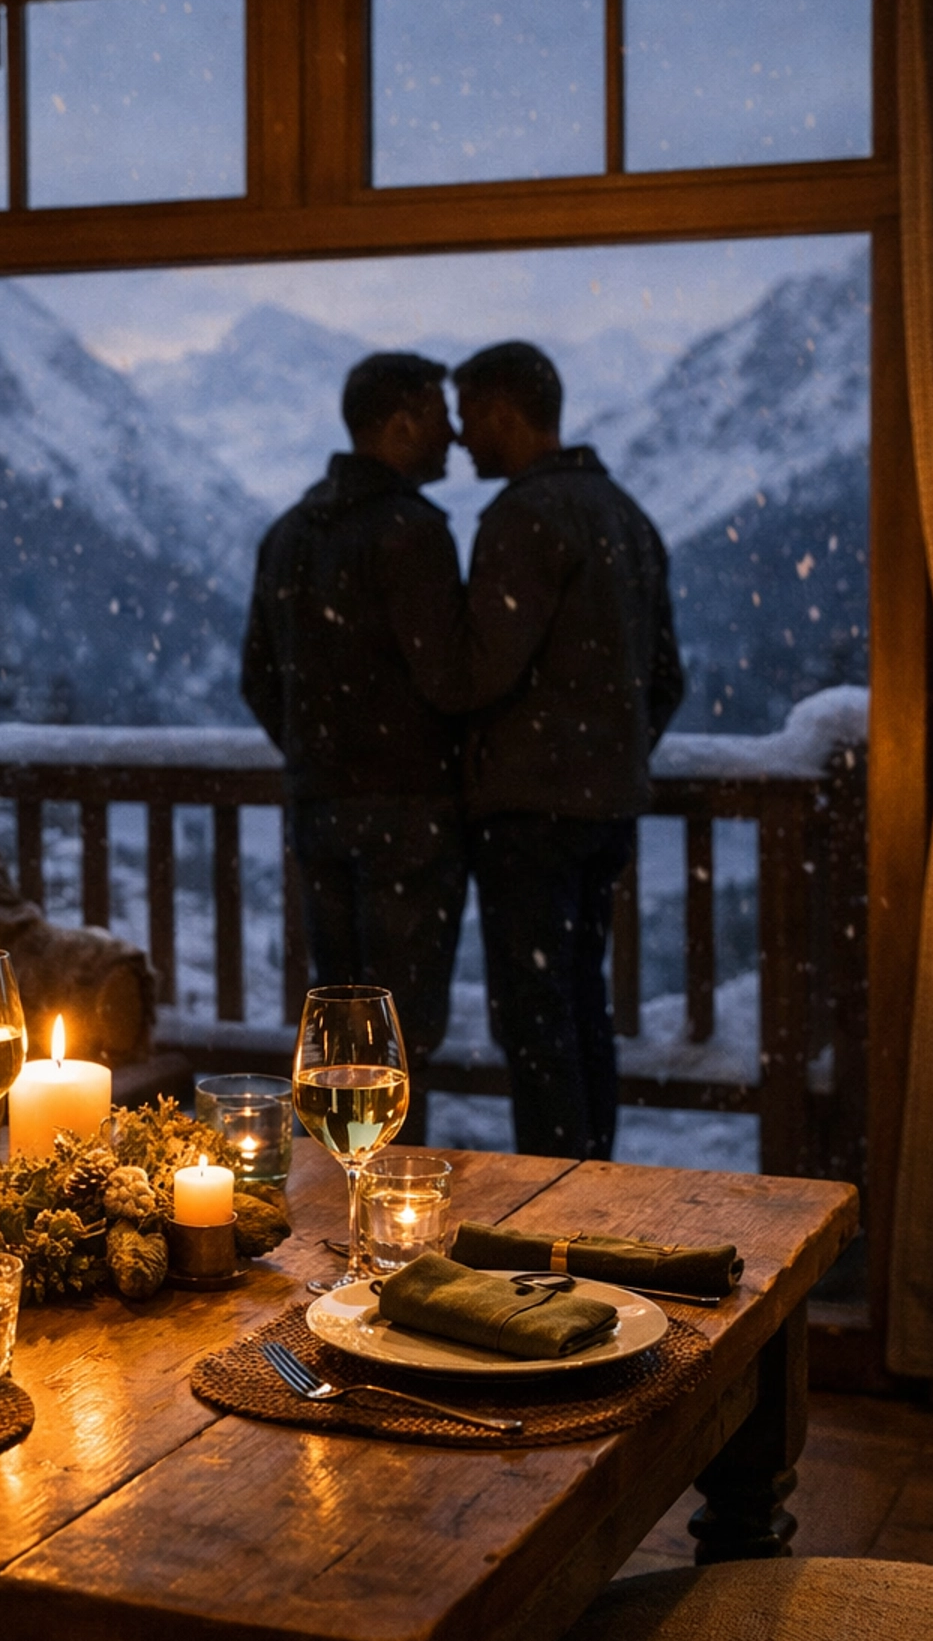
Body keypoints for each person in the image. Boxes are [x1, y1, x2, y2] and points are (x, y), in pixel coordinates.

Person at [451, 340, 684, 1163]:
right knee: (583, 1004)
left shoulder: (523, 518)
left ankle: (549, 1196)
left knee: (534, 1016)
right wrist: (612, 755)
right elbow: (667, 678)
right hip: (604, 810)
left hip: (528, 816)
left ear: (504, 412)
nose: (460, 435)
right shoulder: (625, 514)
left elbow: (481, 670)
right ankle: (590, 1184)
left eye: (469, 415)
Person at [241, 352, 471, 1141]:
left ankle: (337, 1189)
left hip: (320, 811)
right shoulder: (413, 533)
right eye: (439, 415)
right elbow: (449, 680)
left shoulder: (289, 533)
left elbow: (257, 677)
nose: (454, 433)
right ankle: (396, 1197)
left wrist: (318, 756)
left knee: (337, 1029)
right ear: (401, 423)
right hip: (410, 818)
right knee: (402, 1033)